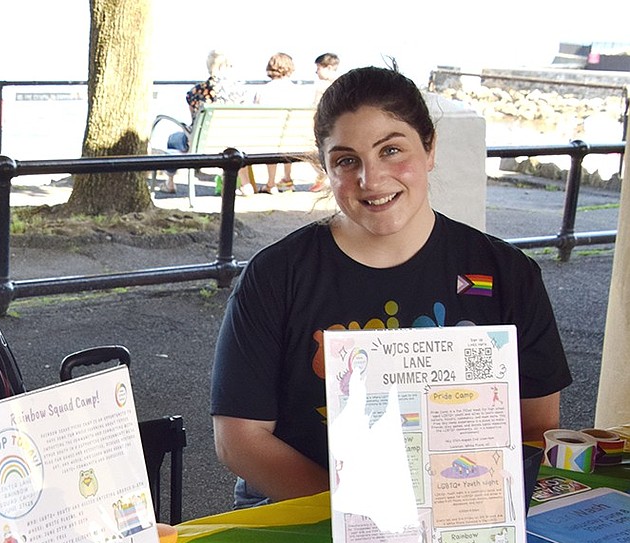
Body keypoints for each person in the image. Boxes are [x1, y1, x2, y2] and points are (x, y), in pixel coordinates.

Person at [211, 65, 571, 507]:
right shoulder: (275, 276)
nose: (372, 179)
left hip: (461, 513)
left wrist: (451, 513)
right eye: (346, 160)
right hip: (307, 508)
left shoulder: (507, 272)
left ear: (430, 147)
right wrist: (361, 516)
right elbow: (239, 440)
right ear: (323, 166)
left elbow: (535, 427)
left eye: (391, 150)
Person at [162, 50, 248, 194]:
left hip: (201, 144)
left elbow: (194, 121)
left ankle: (170, 182)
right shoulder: (241, 92)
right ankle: (244, 185)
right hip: (232, 141)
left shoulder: (196, 91)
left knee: (173, 140)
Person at [246, 52, 313, 193]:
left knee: (271, 137)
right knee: (284, 138)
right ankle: (287, 178)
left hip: (269, 137)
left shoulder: (263, 90)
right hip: (294, 137)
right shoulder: (299, 91)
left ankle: (271, 184)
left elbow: (256, 116)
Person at [310, 53, 341, 192]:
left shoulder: (321, 87)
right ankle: (324, 177)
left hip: (325, 131)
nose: (316, 71)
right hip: (338, 130)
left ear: (328, 67)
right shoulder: (342, 84)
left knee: (310, 149)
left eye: (318, 68)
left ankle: (323, 176)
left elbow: (315, 110)